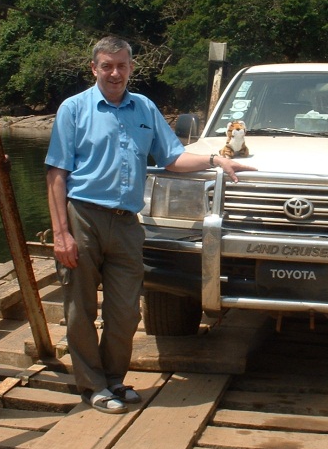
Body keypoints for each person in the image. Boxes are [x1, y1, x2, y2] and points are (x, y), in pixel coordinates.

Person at [46, 36, 255, 413]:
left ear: (131, 68)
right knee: (80, 308)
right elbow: (57, 174)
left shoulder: (143, 107)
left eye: (122, 66)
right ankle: (92, 384)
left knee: (126, 310)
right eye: (107, 66)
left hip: (128, 222)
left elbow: (173, 158)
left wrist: (215, 160)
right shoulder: (73, 109)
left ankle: (113, 379)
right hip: (83, 216)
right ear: (94, 68)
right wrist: (61, 234)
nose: (115, 73)